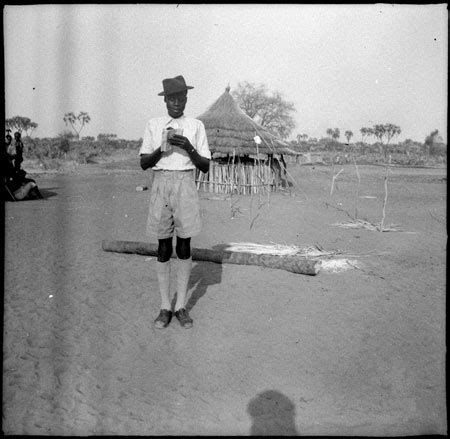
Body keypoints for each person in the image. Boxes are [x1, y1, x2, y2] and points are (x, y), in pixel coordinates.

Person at [139, 75, 211, 329]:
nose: (176, 103)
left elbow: (204, 166)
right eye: (172, 98)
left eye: (181, 98)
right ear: (165, 100)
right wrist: (163, 147)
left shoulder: (196, 126)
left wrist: (189, 147)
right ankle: (164, 307)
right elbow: (144, 163)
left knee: (183, 245)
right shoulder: (154, 124)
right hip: (160, 183)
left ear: (186, 99)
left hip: (185, 183)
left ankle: (181, 306)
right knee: (162, 246)